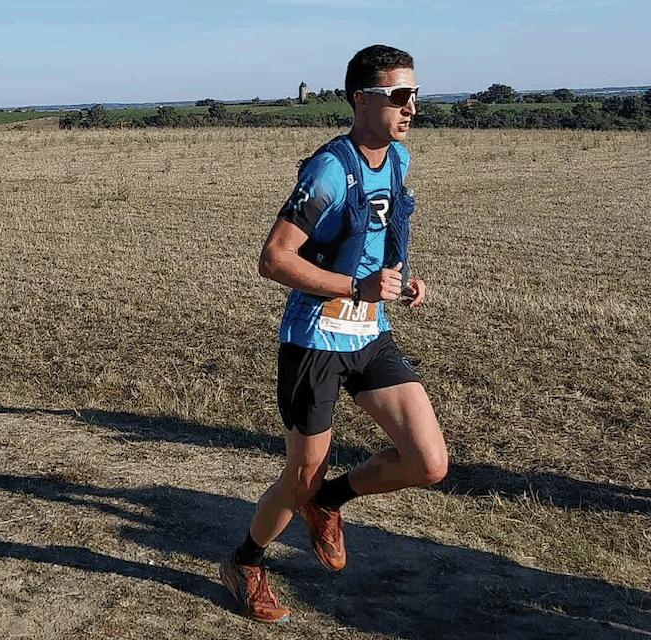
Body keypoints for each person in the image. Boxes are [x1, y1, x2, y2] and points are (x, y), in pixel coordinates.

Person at [220, 44, 449, 623]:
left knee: (427, 462)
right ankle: (246, 561)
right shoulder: (328, 168)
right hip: (315, 339)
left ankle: (331, 502)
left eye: (416, 95)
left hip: (371, 332)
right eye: (400, 96)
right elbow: (274, 259)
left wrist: (397, 283)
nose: (412, 107)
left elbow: (374, 240)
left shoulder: (398, 159)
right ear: (360, 99)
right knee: (300, 475)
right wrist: (356, 288)